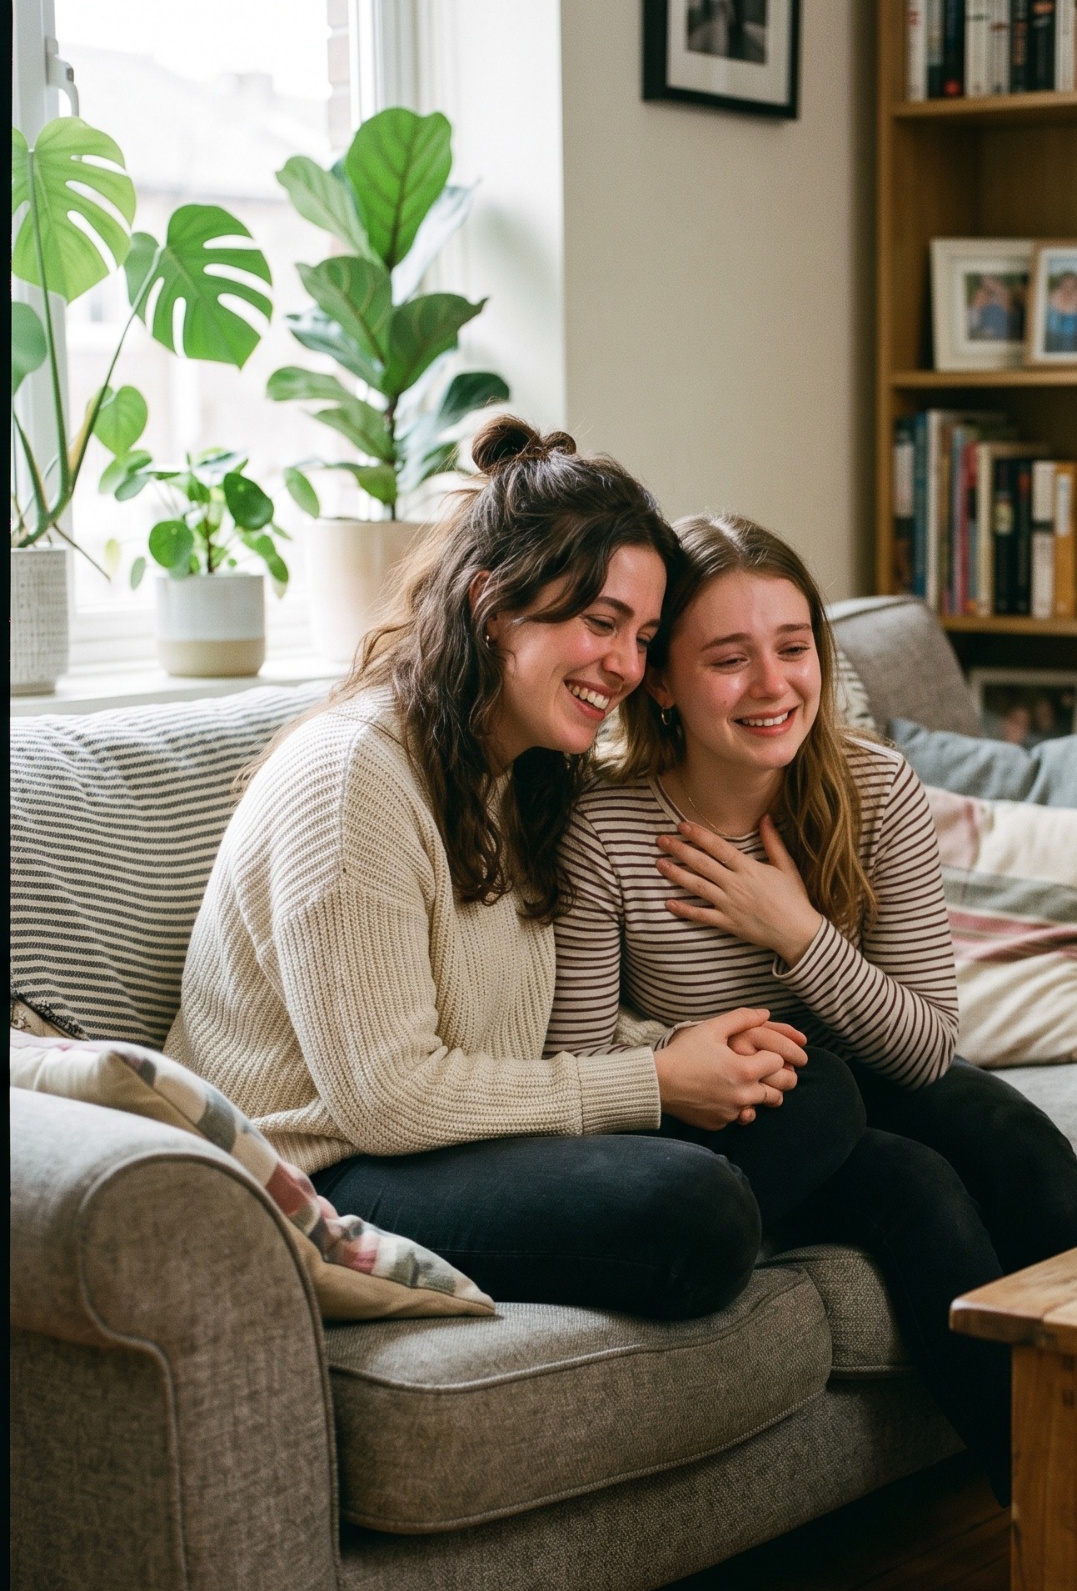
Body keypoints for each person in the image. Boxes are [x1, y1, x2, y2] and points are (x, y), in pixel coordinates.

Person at [547, 511, 1077, 1591]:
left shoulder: (870, 788)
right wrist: (671, 1053)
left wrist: (794, 929)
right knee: (900, 1172)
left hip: (847, 1081)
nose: (773, 683)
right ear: (660, 682)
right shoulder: (602, 827)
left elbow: (922, 1043)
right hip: (698, 1132)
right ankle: (1076, 1539)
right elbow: (569, 1052)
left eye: (794, 644)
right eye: (727, 656)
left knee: (1005, 1139)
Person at [167, 419, 866, 1321]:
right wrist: (653, 1082)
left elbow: (525, 1031)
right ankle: (682, 1243)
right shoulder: (352, 779)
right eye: (600, 622)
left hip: (461, 1143)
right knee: (698, 1209)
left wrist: (681, 1052)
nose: (624, 666)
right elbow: (387, 1098)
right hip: (331, 1171)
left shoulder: (524, 772)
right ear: (492, 606)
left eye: (645, 636)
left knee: (814, 1093)